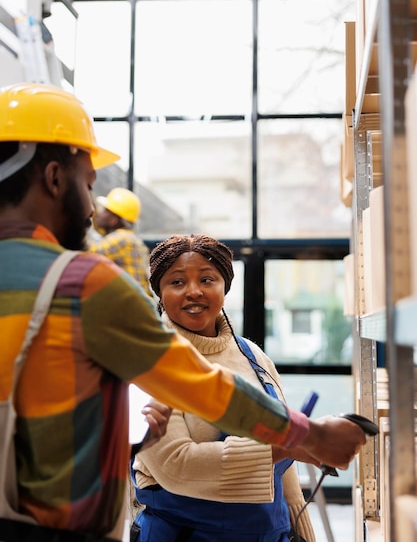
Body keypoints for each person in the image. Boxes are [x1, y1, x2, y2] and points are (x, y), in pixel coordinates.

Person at [0, 83, 366, 542]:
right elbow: (203, 389)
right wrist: (307, 435)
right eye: (88, 184)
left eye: (207, 279)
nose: (93, 207)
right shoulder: (82, 284)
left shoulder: (251, 355)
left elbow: (40, 425)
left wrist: (125, 442)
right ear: (55, 178)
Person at [130, 235, 316, 542]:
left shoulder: (254, 358)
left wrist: (304, 532)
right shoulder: (148, 363)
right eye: (177, 282)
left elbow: (285, 473)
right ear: (159, 294)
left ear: (224, 288)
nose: (193, 291)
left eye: (207, 279)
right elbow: (175, 466)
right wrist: (282, 448)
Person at [89, 187, 153, 298]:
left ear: (113, 220)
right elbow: (97, 227)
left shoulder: (122, 239)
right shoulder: (128, 237)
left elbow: (88, 253)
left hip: (133, 309)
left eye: (104, 210)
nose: (99, 213)